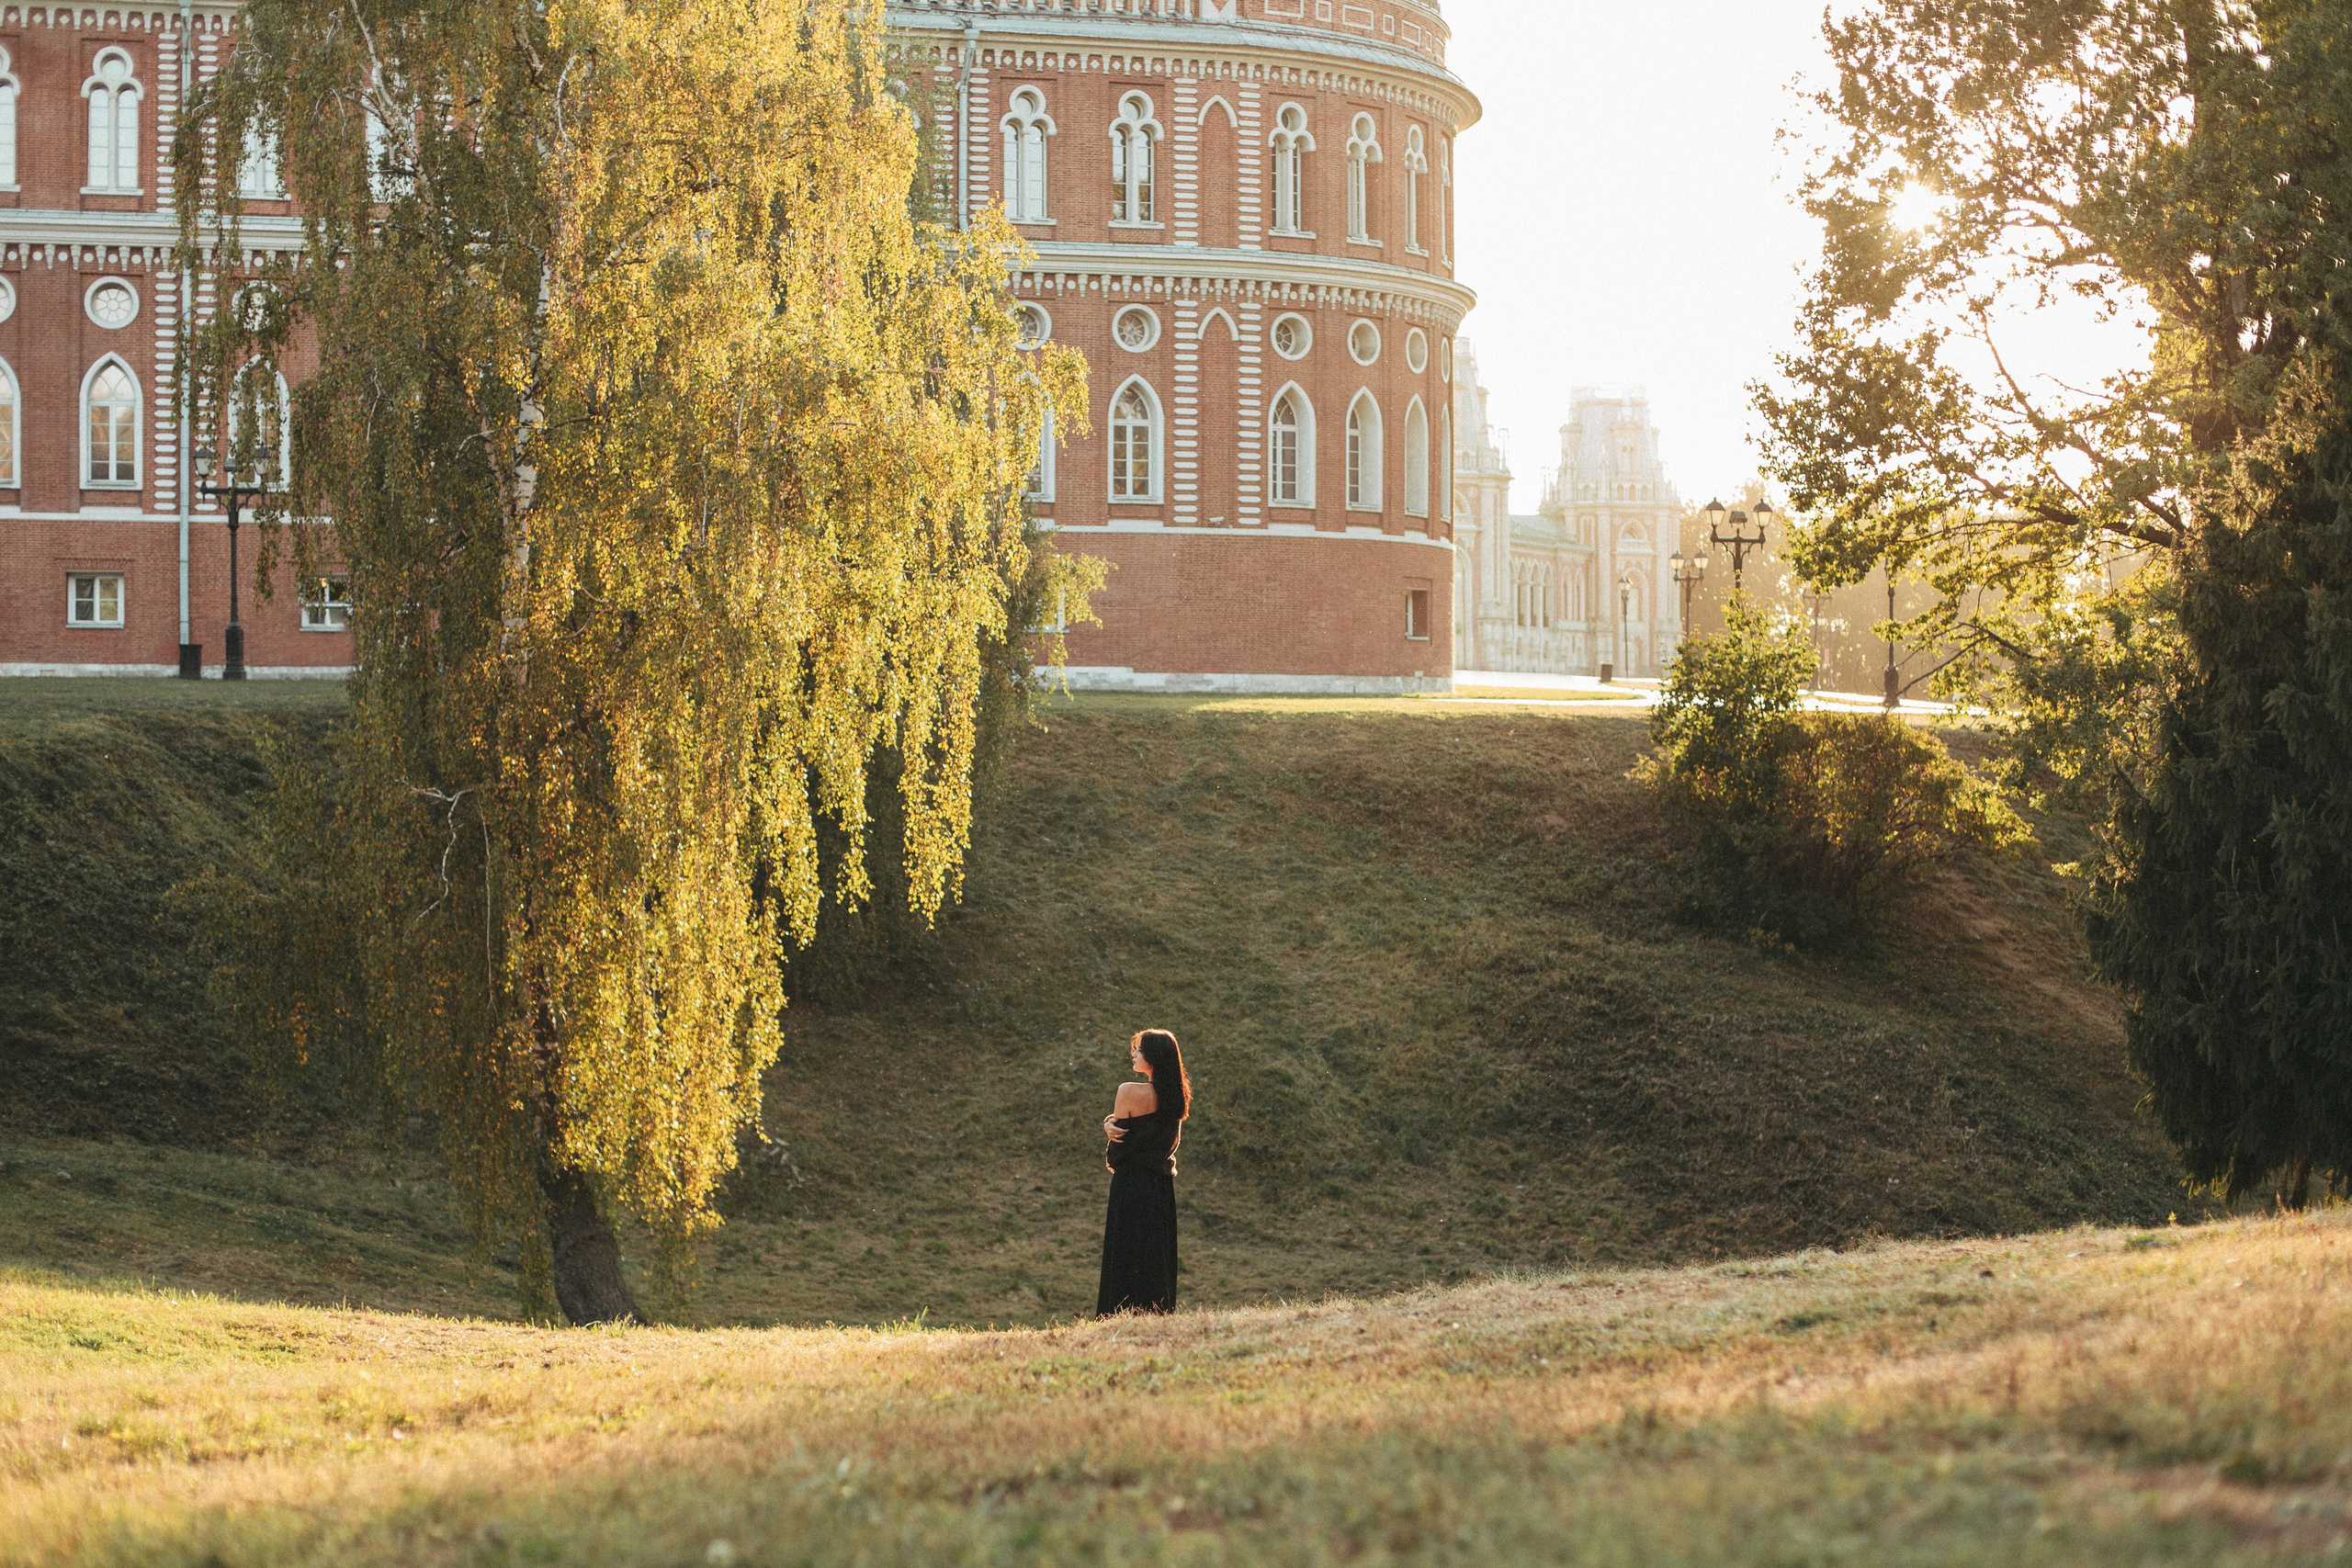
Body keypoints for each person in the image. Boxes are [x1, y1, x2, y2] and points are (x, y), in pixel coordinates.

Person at [1096, 1028, 1190, 1316]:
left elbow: (1121, 1145)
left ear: (1154, 1056)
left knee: (1125, 1253)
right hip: (1161, 1187)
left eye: (1139, 1049)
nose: (1134, 1054)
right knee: (1154, 1256)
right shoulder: (1177, 1098)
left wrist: (1108, 1126)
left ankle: (1119, 1314)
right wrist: (1110, 1122)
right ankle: (1156, 1314)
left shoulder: (1129, 1090)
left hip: (1130, 1184)